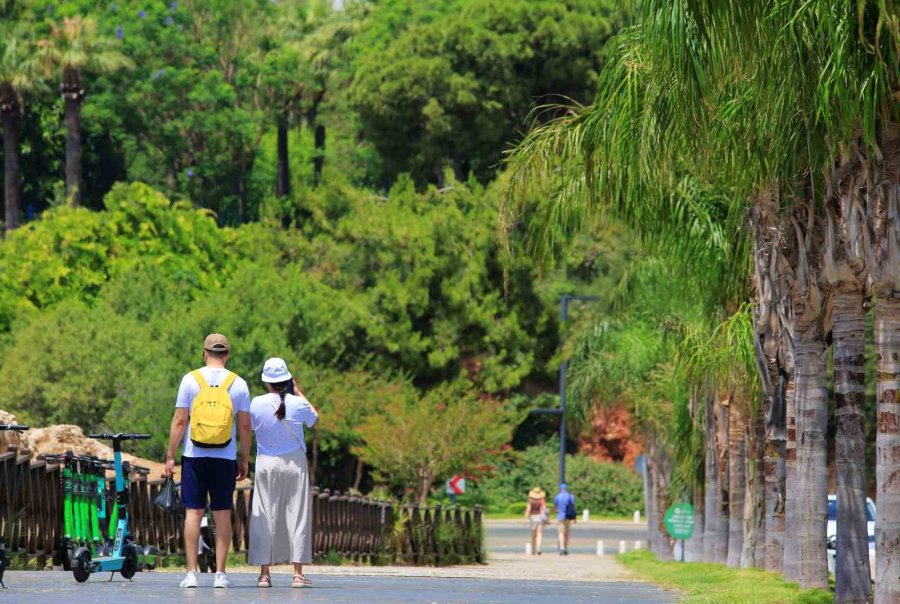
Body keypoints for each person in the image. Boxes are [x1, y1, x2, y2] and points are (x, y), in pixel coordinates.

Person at [165, 333, 252, 589]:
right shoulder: (239, 384)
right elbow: (245, 425)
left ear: (205, 353)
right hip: (225, 457)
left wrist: (171, 454)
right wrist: (244, 457)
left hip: (194, 455)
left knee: (193, 511)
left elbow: (180, 420)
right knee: (222, 513)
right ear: (227, 354)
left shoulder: (190, 380)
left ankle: (191, 573)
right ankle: (221, 575)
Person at [248, 358, 318, 589]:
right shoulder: (297, 404)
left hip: (266, 462)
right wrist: (297, 390)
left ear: (266, 381)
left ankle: (264, 574)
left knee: (264, 515)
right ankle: (297, 574)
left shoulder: (256, 403)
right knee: (297, 515)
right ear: (287, 379)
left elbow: (249, 427)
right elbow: (314, 418)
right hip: (294, 462)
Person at [553, 483, 576, 555]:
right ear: (566, 489)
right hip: (568, 517)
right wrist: (574, 518)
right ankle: (566, 548)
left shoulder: (557, 497)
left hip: (560, 516)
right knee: (567, 533)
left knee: (560, 533)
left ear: (560, 489)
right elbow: (573, 507)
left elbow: (555, 507)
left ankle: (562, 548)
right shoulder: (571, 496)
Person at [524, 487, 548, 555]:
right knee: (539, 534)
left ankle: (533, 550)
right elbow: (544, 509)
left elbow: (528, 510)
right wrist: (547, 519)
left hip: (533, 517)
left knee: (533, 534)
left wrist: (525, 519)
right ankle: (538, 548)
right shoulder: (541, 500)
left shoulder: (530, 500)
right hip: (540, 517)